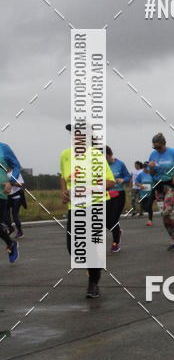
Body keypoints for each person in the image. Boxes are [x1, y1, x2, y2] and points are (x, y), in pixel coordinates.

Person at [60, 125, 114, 298]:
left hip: (95, 206)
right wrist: (64, 192)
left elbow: (110, 182)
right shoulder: (65, 155)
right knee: (73, 247)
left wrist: (90, 188)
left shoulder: (97, 156)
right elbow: (63, 177)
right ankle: (95, 268)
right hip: (75, 207)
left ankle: (93, 283)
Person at [148, 132, 174, 250]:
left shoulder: (173, 153)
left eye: (159, 147)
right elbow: (152, 174)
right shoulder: (153, 155)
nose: (157, 149)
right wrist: (151, 168)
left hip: (171, 186)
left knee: (167, 212)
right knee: (164, 217)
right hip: (159, 187)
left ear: (164, 144)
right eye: (154, 147)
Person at [105, 147, 130, 253]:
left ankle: (116, 242)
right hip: (106, 195)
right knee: (105, 219)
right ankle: (118, 231)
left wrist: (123, 180)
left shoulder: (120, 164)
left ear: (110, 155)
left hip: (118, 194)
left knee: (114, 218)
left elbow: (128, 176)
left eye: (104, 156)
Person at [0, 141, 21, 263]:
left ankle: (10, 243)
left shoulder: (3, 148)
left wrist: (11, 182)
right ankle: (10, 242)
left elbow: (16, 166)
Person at [5, 171, 26, 238]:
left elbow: (21, 184)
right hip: (6, 197)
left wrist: (11, 183)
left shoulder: (15, 173)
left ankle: (20, 232)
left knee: (15, 215)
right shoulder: (2, 173)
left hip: (16, 197)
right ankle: (10, 228)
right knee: (5, 215)